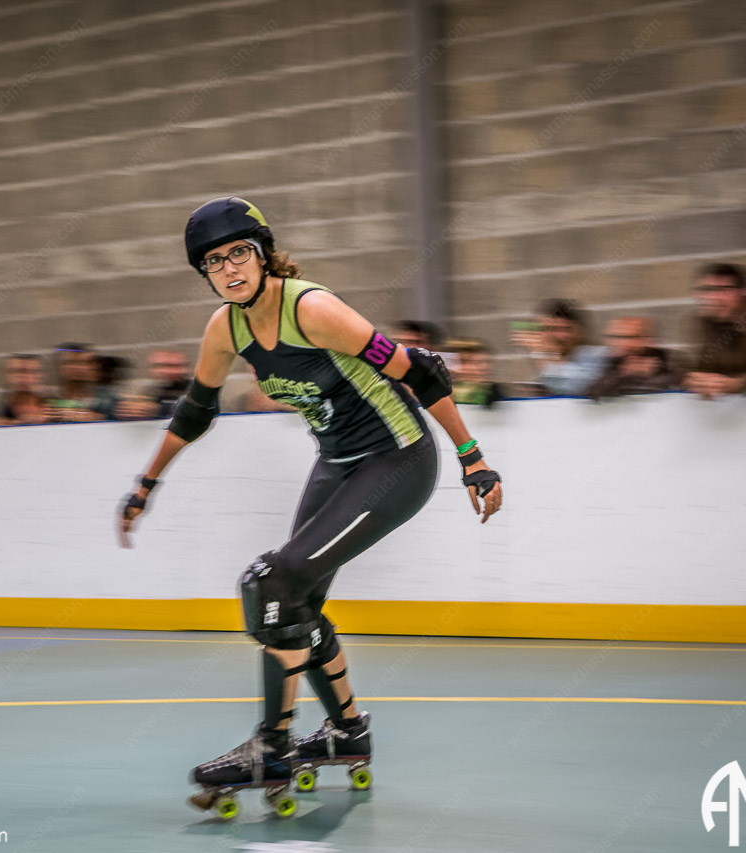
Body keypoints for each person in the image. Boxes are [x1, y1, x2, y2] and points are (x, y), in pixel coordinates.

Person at [116, 197, 503, 804]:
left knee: (272, 581)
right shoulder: (226, 328)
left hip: (398, 459)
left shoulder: (312, 309)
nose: (229, 268)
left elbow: (421, 371)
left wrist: (472, 458)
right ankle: (348, 731)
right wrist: (146, 486)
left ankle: (272, 746)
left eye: (239, 253)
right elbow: (194, 413)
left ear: (263, 254)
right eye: (214, 262)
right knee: (292, 599)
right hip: (337, 462)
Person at [682, 263, 746, 399]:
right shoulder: (698, 320)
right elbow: (694, 367)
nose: (714, 298)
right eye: (706, 290)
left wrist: (737, 383)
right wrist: (693, 380)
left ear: (744, 293)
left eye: (724, 290)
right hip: (719, 402)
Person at [510, 299, 607, 396]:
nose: (558, 336)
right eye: (550, 329)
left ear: (579, 330)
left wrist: (550, 358)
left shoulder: (597, 354)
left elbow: (580, 388)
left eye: (565, 329)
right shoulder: (549, 364)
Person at [586, 316, 676, 399]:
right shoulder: (616, 363)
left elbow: (670, 388)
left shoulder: (668, 361)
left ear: (648, 340)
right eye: (620, 338)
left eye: (634, 337)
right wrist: (624, 375)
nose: (626, 344)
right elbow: (592, 394)